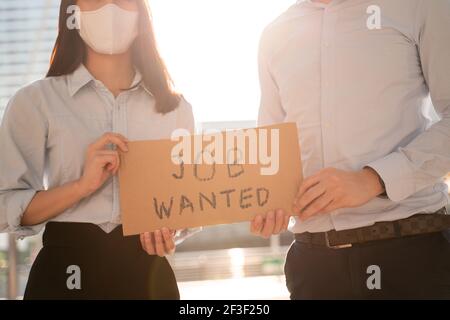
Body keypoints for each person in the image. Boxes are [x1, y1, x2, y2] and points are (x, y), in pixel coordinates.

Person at [251, 0, 450, 299]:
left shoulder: (420, 6)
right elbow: (269, 146)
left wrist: (373, 179)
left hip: (412, 255)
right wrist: (267, 198)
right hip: (312, 266)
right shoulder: (274, 34)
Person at [0, 0, 194, 299]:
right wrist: (80, 187)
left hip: (148, 273)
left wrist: (171, 229)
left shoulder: (175, 109)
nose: (111, 7)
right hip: (65, 272)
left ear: (141, 13)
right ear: (72, 14)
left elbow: (187, 202)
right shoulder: (35, 101)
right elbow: (4, 207)